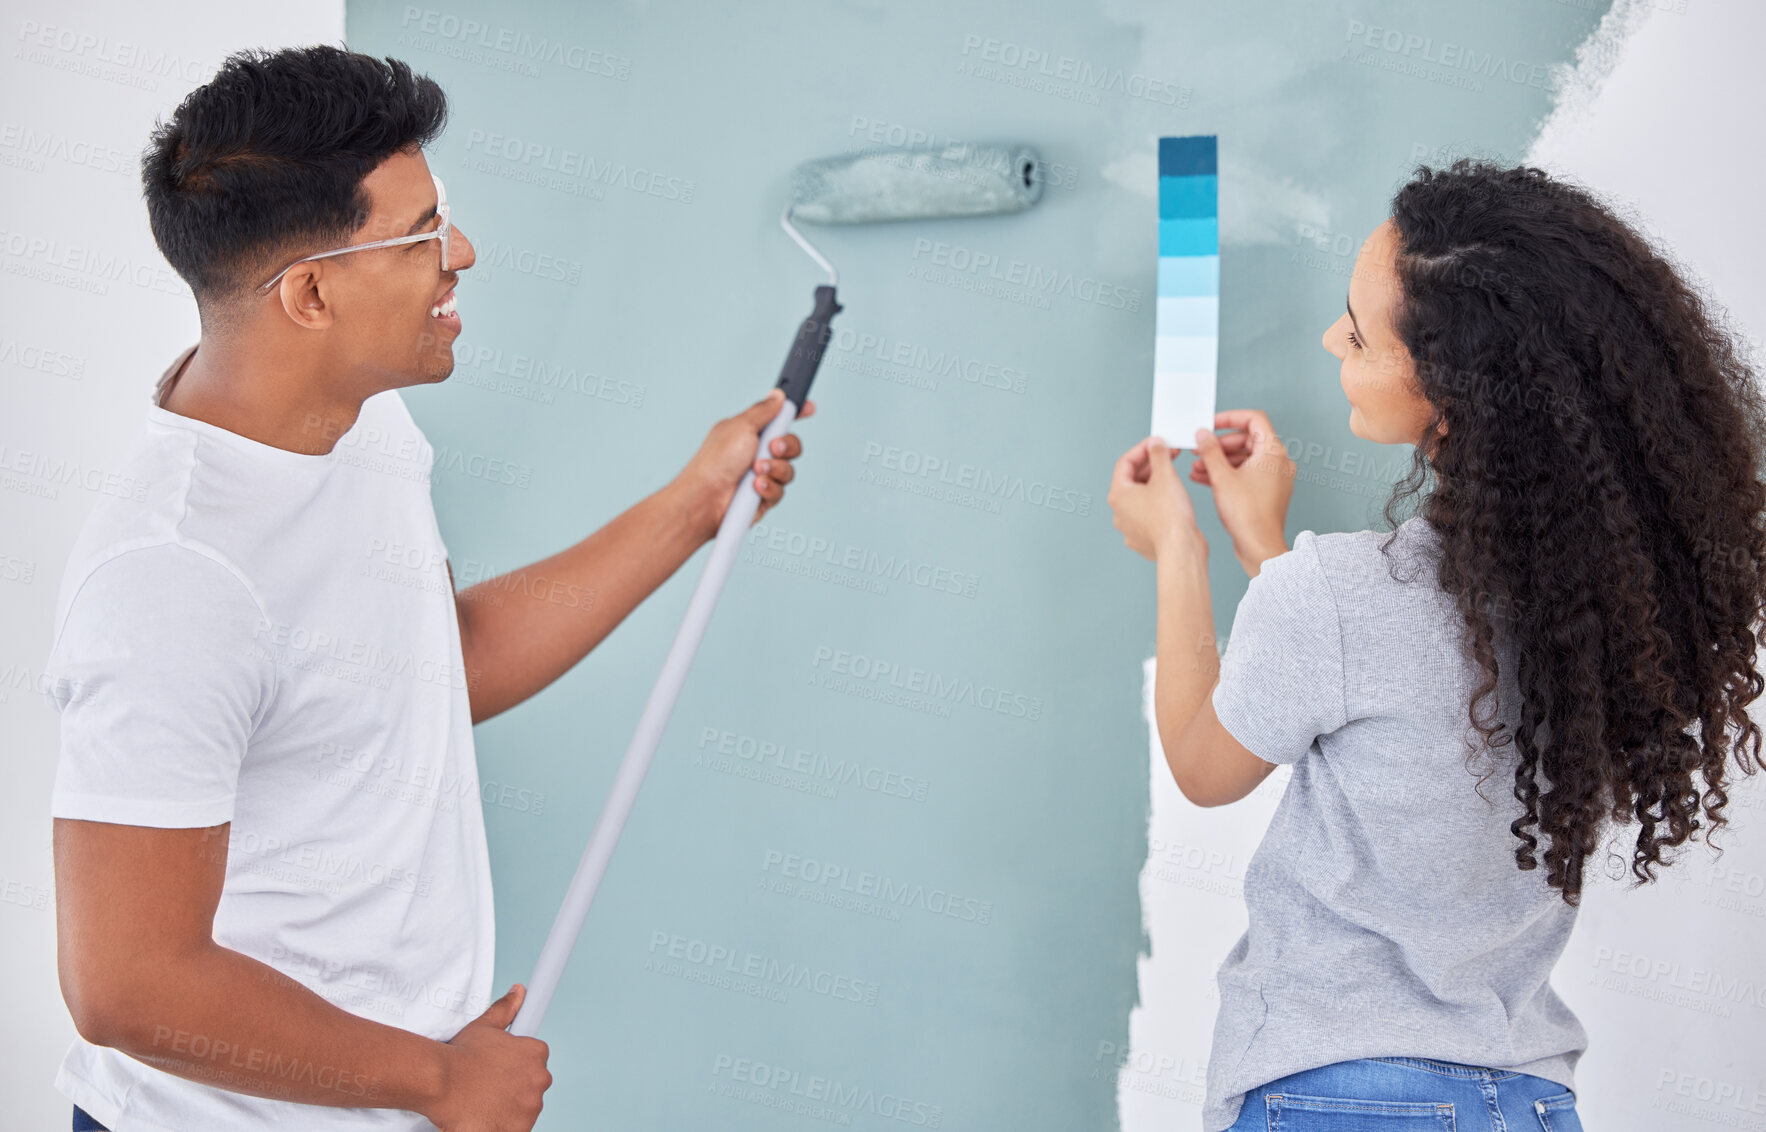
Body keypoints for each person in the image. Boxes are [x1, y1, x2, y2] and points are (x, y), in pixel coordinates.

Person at [45, 45, 811, 1132]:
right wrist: (440, 1078)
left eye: (441, 213)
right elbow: (127, 982)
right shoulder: (173, 580)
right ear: (308, 294)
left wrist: (695, 502)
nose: (461, 252)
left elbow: (430, 663)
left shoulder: (357, 420)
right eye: (418, 235)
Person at [1107, 160, 1766, 1131]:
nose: (1330, 335)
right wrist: (1266, 551)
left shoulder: (1336, 594)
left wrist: (1176, 548)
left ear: (1449, 402)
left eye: (1359, 332)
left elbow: (1206, 766)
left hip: (1337, 1095)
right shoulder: (1591, 622)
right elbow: (1387, 665)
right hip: (1525, 1099)